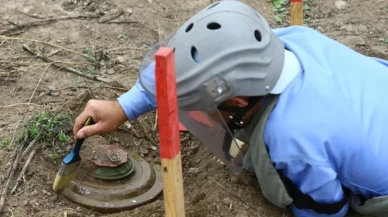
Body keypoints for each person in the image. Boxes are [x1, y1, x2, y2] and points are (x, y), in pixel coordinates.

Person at [72, 1, 388, 217]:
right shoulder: (292, 41)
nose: (201, 112)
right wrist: (125, 106)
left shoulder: (293, 141)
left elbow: (327, 211)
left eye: (203, 106)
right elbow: (194, 66)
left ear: (237, 101)